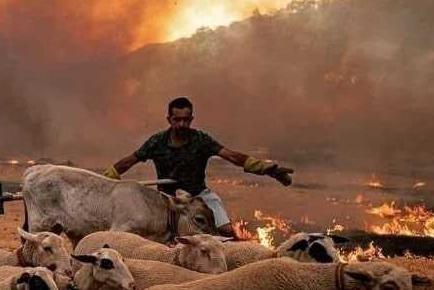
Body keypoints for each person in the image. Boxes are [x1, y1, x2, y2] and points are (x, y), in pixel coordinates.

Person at [103, 97, 294, 239]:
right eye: (177, 120)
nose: (181, 124)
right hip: (169, 202)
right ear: (169, 119)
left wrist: (264, 168)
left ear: (191, 119)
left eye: (186, 119)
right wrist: (106, 180)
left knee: (226, 233)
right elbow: (129, 161)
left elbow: (230, 156)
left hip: (200, 196)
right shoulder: (157, 142)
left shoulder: (200, 139)